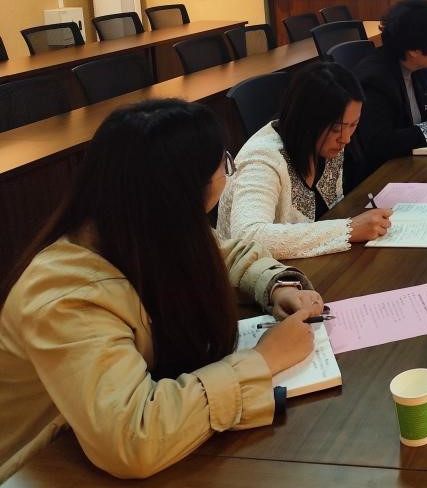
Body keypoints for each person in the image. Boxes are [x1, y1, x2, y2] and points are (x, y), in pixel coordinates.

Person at [0, 99, 325, 481]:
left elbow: (221, 255)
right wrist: (264, 360)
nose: (228, 171)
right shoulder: (65, 296)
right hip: (39, 468)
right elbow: (133, 437)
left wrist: (275, 285)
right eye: (223, 162)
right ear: (181, 189)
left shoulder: (142, 223)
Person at [217, 62, 394, 259]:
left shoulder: (325, 144)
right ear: (307, 121)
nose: (346, 138)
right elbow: (248, 237)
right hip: (255, 272)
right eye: (336, 128)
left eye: (353, 125)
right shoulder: (262, 159)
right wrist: (348, 230)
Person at [344, 0, 427, 190]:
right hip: (382, 180)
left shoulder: (415, 66)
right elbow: (380, 143)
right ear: (414, 50)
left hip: (415, 166)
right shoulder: (374, 80)